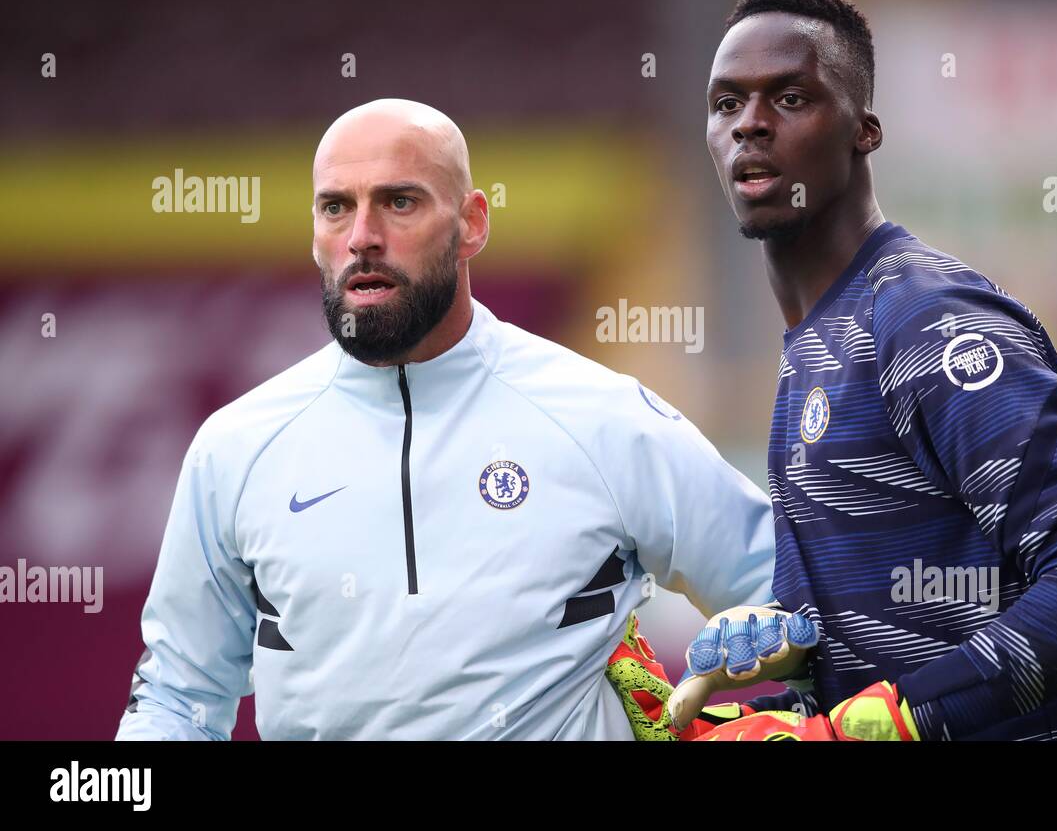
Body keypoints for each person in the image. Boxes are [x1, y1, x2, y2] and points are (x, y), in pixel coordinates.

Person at [115, 98, 774, 741]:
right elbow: (177, 696)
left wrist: (783, 652)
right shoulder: (235, 449)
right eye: (335, 206)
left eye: (399, 201)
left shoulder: (602, 418)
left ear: (472, 223)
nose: (362, 236)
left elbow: (788, 593)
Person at [665, 0, 1057, 741]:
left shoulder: (925, 318)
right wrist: (766, 708)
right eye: (725, 103)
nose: (750, 125)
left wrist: (878, 725)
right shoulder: (816, 341)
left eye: (791, 97)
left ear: (864, 131)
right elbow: (910, 650)